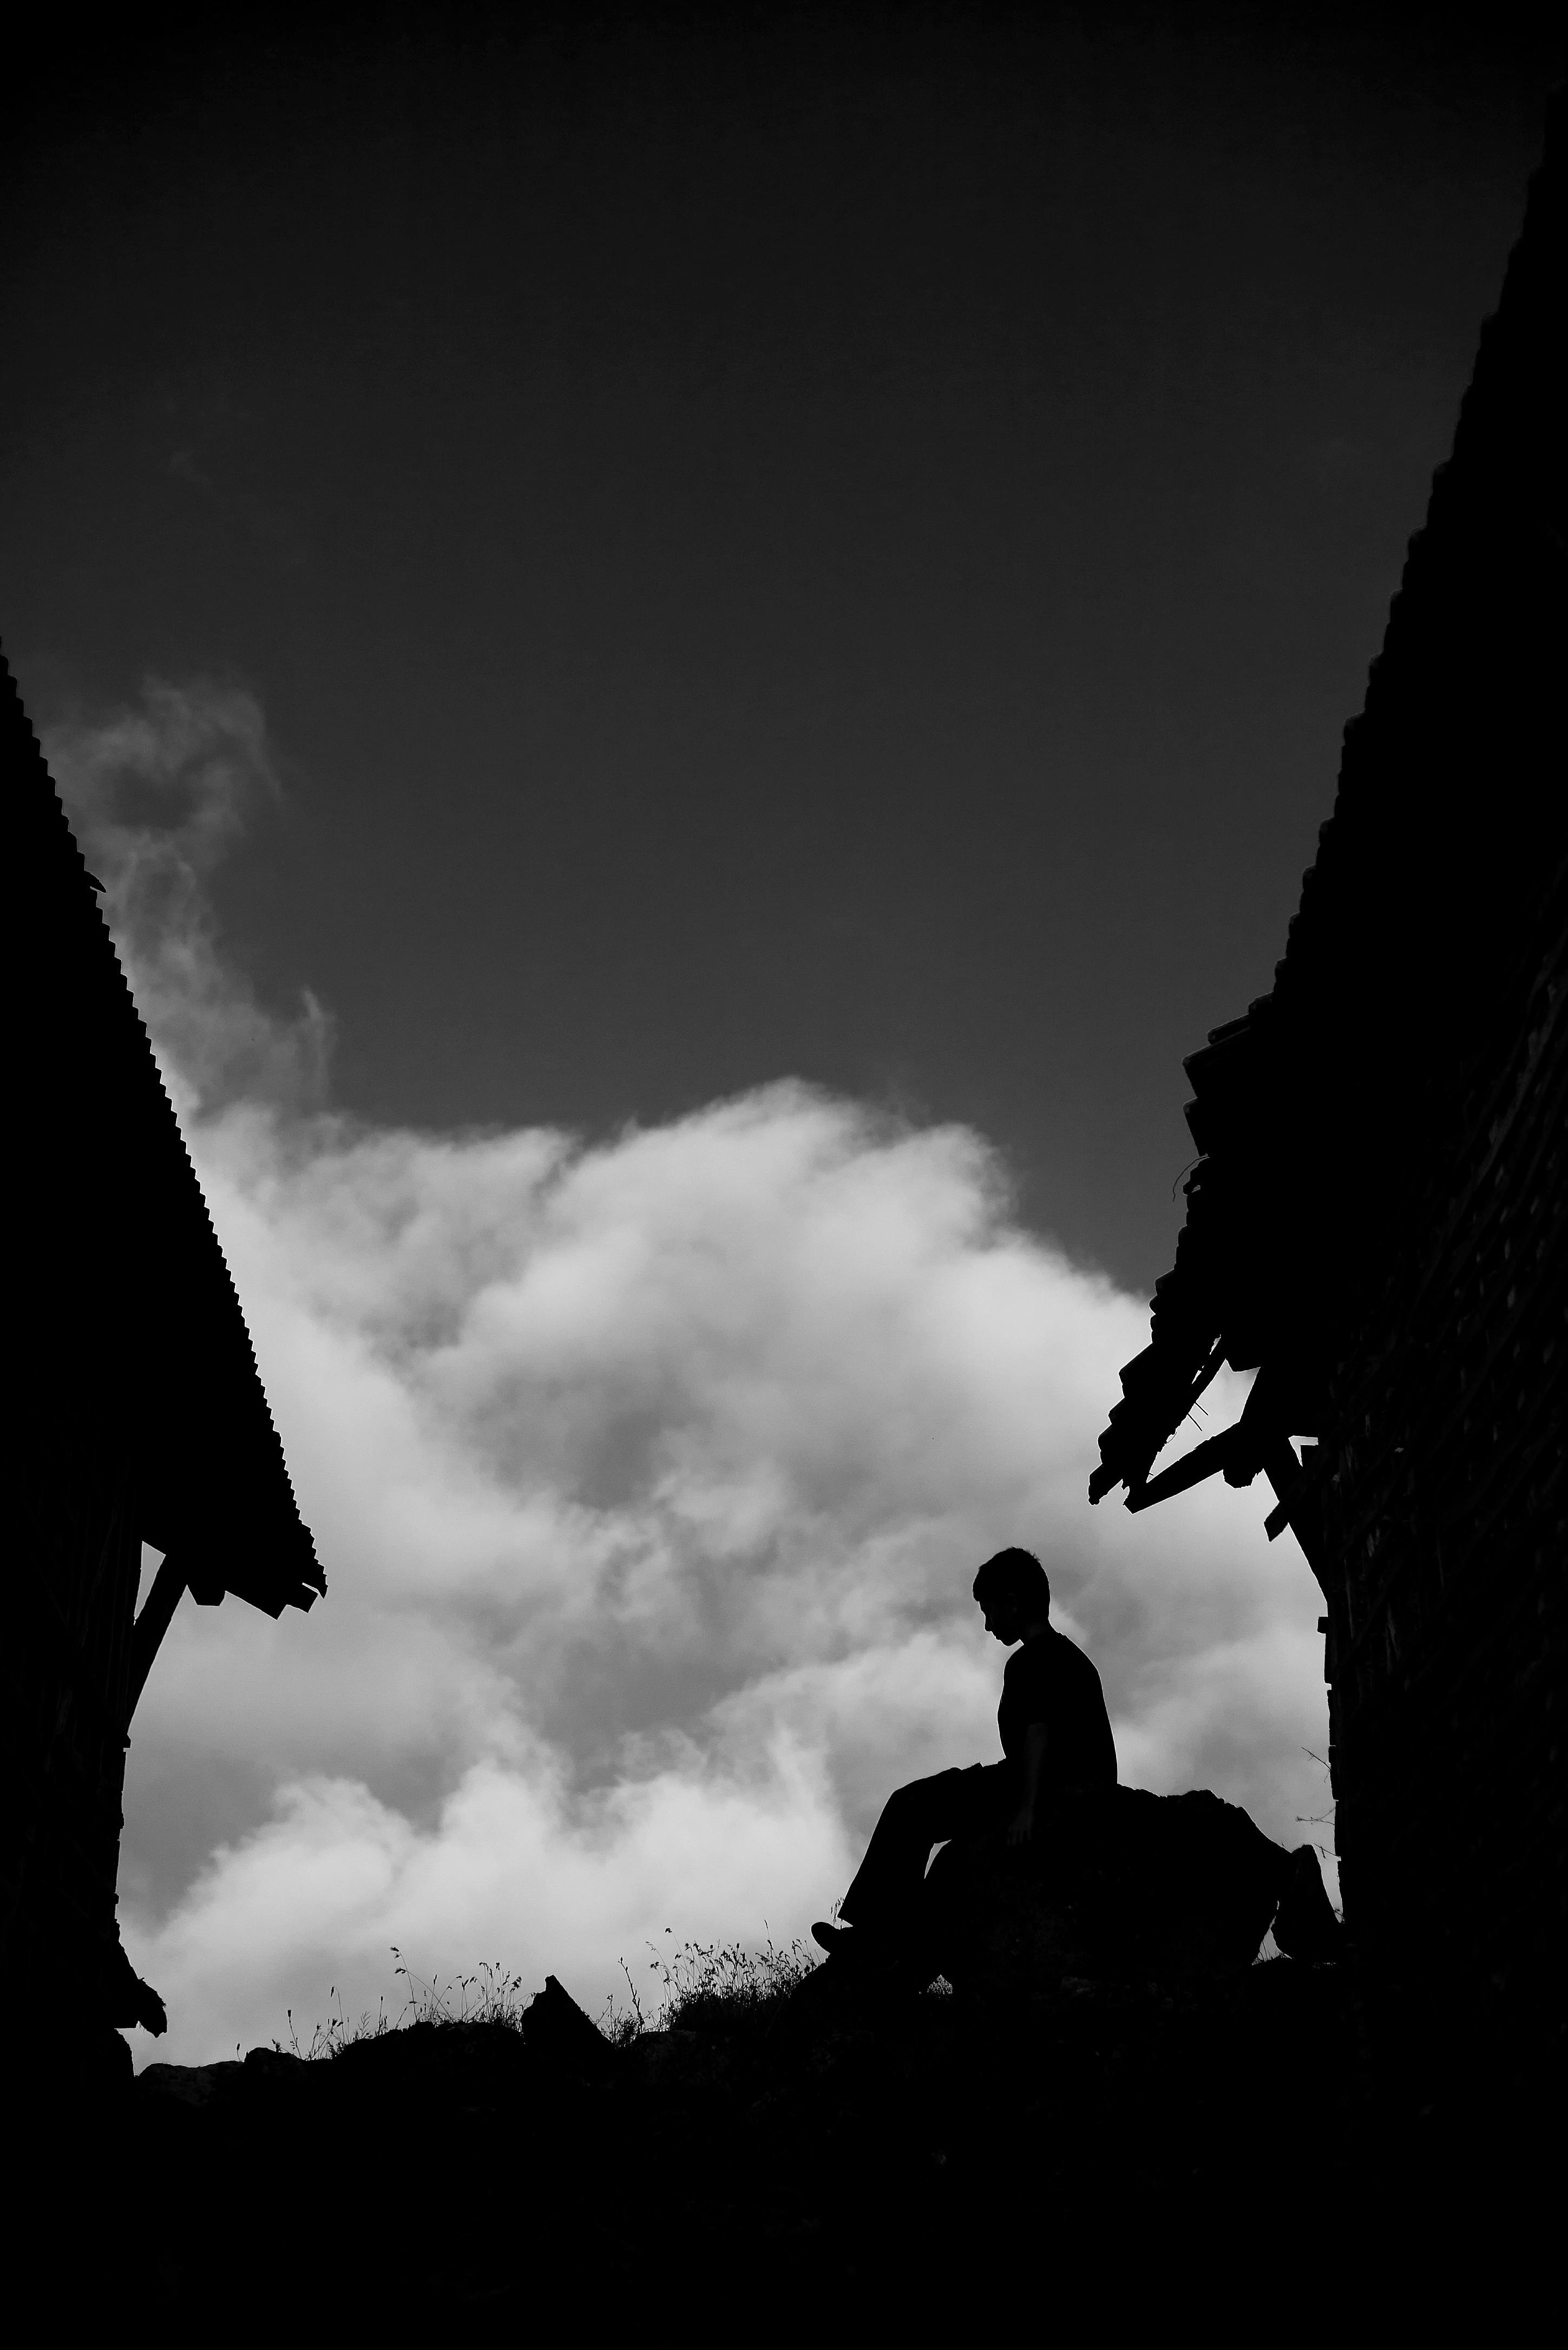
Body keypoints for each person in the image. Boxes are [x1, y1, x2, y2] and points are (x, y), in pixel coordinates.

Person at [811, 1547, 1117, 1958]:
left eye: (989, 1611)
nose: (988, 1626)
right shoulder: (1072, 1659)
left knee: (911, 1806)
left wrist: (1027, 1809)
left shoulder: (1034, 1659)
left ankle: (878, 1936)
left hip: (1048, 1786)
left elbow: (1038, 1733)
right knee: (917, 1802)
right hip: (1058, 1783)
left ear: (1012, 1604)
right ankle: (882, 1933)